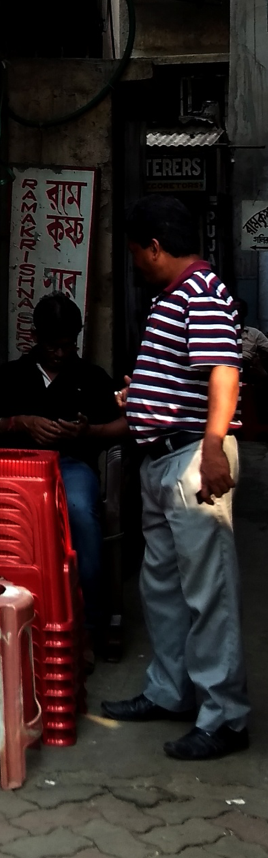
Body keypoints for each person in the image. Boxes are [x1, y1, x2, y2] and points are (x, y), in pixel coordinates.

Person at [102, 195, 249, 761]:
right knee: (161, 585)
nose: (136, 264)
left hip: (192, 459)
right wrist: (137, 398)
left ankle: (226, 717)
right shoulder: (173, 297)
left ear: (155, 247)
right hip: (162, 458)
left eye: (138, 253)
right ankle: (172, 691)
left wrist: (213, 448)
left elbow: (223, 371)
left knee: (209, 594)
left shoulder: (202, 292)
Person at [0, 293, 126, 655]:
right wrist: (18, 423)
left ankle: (91, 623)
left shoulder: (90, 377)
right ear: (35, 336)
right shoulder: (12, 374)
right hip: (18, 469)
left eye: (66, 345)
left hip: (70, 466)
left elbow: (123, 426)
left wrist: (88, 432)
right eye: (51, 345)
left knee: (79, 513)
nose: (59, 353)